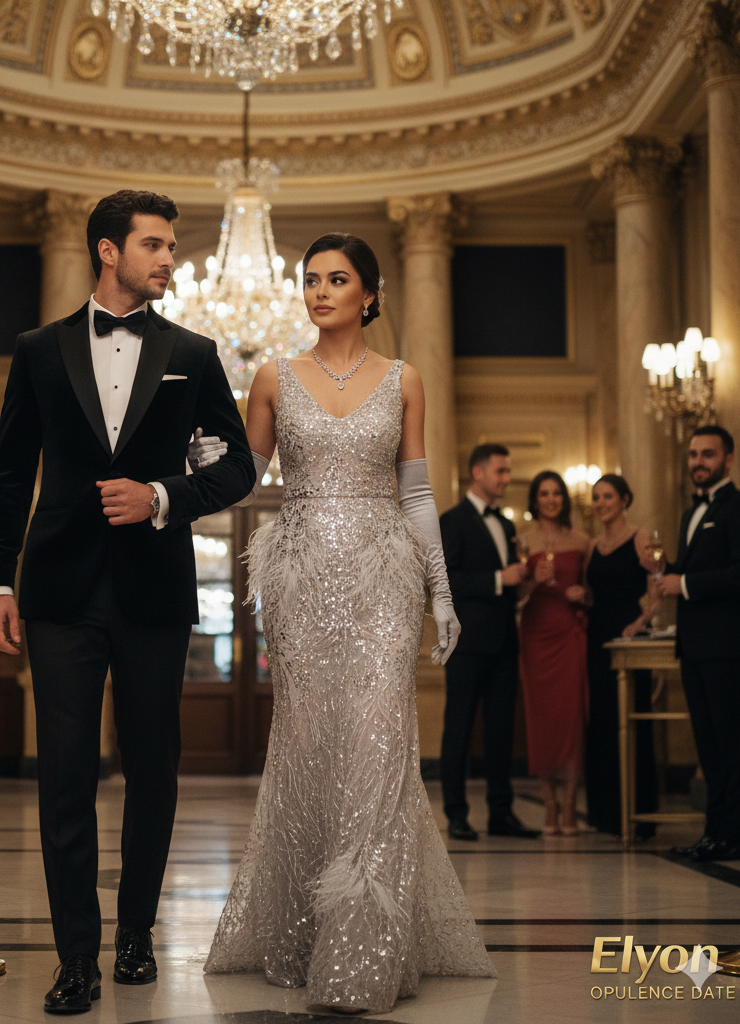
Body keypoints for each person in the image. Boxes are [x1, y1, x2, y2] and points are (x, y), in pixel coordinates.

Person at [0, 190, 255, 1014]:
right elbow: (6, 471)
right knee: (64, 776)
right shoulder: (37, 348)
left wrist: (164, 496)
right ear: (109, 251)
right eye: (156, 245)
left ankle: (136, 933)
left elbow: (238, 468)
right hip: (58, 593)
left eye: (172, 246)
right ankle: (76, 960)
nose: (170, 258)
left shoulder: (194, 353)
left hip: (154, 592)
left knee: (154, 771)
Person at [204, 233, 494, 1014]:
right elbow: (242, 475)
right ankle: (301, 933)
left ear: (370, 294)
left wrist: (442, 593)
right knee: (309, 751)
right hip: (300, 585)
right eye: (311, 279)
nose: (319, 291)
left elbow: (414, 493)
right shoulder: (274, 375)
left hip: (384, 582)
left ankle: (362, 957)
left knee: (376, 750)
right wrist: (197, 462)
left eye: (338, 279)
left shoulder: (404, 379)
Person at [657, 426, 740, 863]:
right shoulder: (689, 512)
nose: (698, 462)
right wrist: (664, 567)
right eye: (694, 454)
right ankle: (714, 833)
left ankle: (735, 835)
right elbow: (692, 570)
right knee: (709, 746)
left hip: (728, 644)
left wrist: (685, 583)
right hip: (694, 645)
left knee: (731, 742)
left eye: (708, 454)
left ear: (728, 460)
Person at [439, 444, 537, 842]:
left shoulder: (508, 525)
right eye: (500, 471)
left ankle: (501, 812)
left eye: (508, 471)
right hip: (466, 641)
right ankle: (457, 813)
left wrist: (524, 583)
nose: (506, 478)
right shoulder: (452, 521)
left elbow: (512, 584)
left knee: (501, 731)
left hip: (504, 641)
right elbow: (446, 580)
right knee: (459, 728)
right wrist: (501, 579)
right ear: (477, 473)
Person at [583, 474, 661, 838]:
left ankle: (637, 812)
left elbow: (657, 591)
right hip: (596, 636)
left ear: (624, 499)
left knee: (630, 722)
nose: (600, 503)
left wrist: (639, 622)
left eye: (608, 496)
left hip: (629, 635)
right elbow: (590, 594)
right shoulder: (593, 544)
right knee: (601, 722)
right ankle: (606, 813)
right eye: (596, 497)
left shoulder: (641, 537)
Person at [518, 471, 590, 836]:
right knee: (541, 719)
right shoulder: (523, 541)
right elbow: (514, 597)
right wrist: (532, 579)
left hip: (568, 633)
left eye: (556, 493)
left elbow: (595, 592)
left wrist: (584, 596)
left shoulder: (582, 540)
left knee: (572, 719)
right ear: (535, 500)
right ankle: (549, 801)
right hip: (535, 634)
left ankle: (571, 804)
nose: (550, 499)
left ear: (564, 498)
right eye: (544, 493)